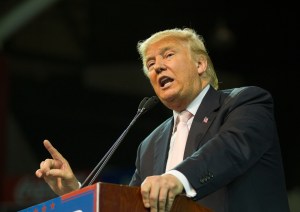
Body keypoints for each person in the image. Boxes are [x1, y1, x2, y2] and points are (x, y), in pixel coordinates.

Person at [35, 28, 290, 212]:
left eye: (168, 55)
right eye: (151, 63)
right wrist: (76, 194)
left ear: (200, 64)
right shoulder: (150, 144)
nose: (157, 67)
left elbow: (229, 149)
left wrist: (177, 178)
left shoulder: (245, 102)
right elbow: (129, 206)